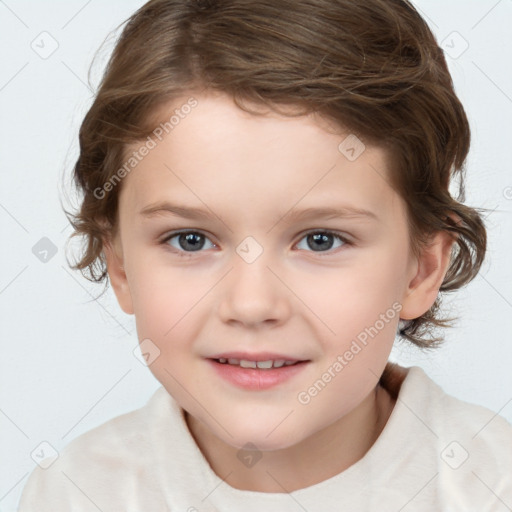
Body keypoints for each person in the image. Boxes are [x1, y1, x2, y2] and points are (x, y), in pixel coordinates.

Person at [17, 0, 512, 510]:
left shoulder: (493, 487)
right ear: (119, 264)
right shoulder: (75, 493)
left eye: (321, 240)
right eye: (191, 240)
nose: (252, 305)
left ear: (422, 269)